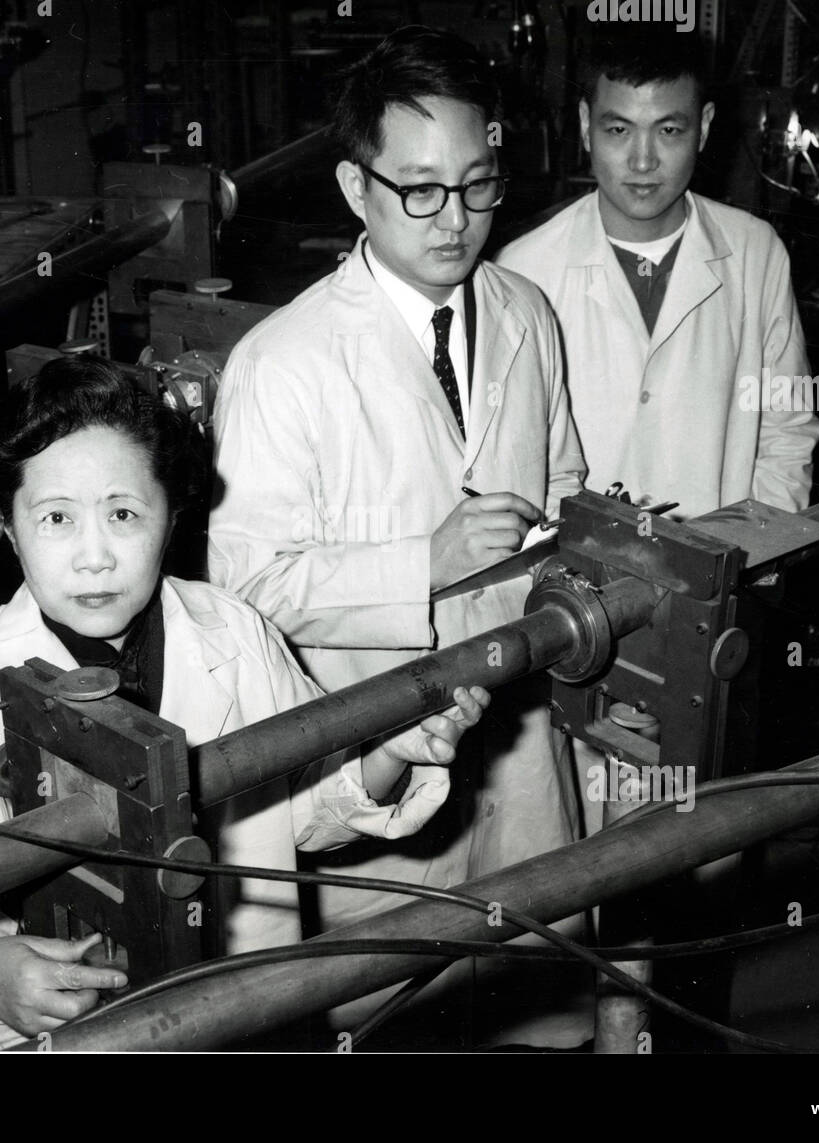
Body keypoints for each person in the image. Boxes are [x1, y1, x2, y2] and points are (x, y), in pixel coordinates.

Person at [0, 356, 489, 1050]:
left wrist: (382, 754)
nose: (94, 554)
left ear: (172, 520)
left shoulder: (236, 634)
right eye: (56, 518)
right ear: (8, 530)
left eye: (125, 513)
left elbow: (310, 809)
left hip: (242, 1015)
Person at [208, 26, 590, 1045]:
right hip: (370, 784)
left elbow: (565, 491)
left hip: (519, 758)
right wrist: (420, 564)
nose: (453, 219)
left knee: (539, 1021)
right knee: (392, 1026)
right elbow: (247, 598)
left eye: (475, 184)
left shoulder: (527, 312)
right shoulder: (280, 364)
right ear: (353, 187)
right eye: (419, 189)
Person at [497, 29, 819, 523]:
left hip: (718, 573)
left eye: (669, 131)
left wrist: (751, 560)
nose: (643, 161)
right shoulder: (522, 269)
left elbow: (787, 427)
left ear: (705, 127)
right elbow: (511, 455)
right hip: (573, 580)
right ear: (586, 126)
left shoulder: (756, 254)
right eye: (618, 130)